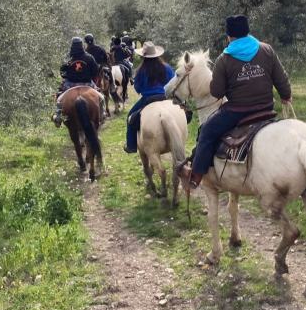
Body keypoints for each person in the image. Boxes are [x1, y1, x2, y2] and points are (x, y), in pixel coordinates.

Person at [177, 15, 291, 192]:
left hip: (237, 111)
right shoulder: (266, 50)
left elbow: (216, 92)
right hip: (266, 108)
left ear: (229, 36)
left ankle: (196, 175)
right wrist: (286, 95)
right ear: (247, 31)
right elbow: (281, 78)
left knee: (207, 131)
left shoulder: (225, 58)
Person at [123, 41, 175, 154]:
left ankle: (131, 146)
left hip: (148, 100)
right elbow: (173, 82)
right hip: (165, 97)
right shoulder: (167, 68)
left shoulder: (141, 70)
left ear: (143, 57)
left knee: (130, 118)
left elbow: (137, 88)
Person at [52, 37, 100, 127]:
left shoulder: (68, 58)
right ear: (82, 45)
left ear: (72, 46)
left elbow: (62, 71)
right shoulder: (89, 57)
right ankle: (102, 112)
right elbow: (95, 71)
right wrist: (90, 76)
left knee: (59, 98)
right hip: (87, 84)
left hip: (70, 84)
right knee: (100, 96)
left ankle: (58, 116)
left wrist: (66, 76)